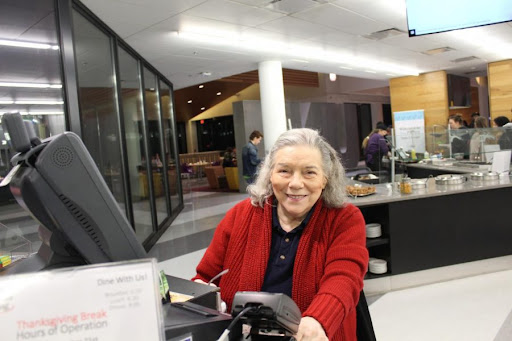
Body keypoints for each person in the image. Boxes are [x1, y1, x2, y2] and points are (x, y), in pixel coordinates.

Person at [193, 128, 368, 341]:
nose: (295, 183)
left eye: (309, 172)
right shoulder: (240, 215)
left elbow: (344, 277)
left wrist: (318, 320)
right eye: (284, 171)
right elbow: (204, 277)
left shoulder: (345, 219)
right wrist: (199, 292)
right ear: (270, 174)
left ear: (325, 179)